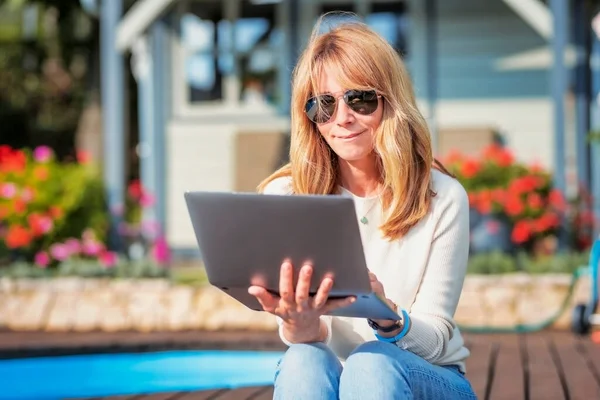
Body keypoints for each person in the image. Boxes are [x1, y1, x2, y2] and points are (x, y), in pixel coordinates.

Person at [248, 14, 476, 400]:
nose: (342, 118)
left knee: (370, 361)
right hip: (333, 377)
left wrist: (389, 318)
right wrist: (301, 323)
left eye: (360, 99)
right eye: (323, 105)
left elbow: (437, 340)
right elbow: (306, 340)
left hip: (427, 377)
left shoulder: (441, 196)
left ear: (391, 102)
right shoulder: (286, 194)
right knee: (302, 358)